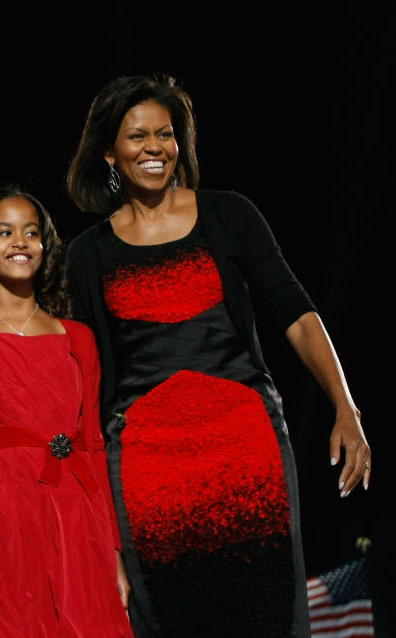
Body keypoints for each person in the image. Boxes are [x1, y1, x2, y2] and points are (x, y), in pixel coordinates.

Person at [64, 75, 371, 637]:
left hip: (246, 449)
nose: (154, 147)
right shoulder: (87, 254)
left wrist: (345, 408)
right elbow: (83, 383)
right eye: (137, 136)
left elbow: (296, 313)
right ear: (109, 150)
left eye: (166, 133)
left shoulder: (231, 214)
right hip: (147, 470)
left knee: (267, 613)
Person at [0, 188, 133, 637]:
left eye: (31, 232)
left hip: (77, 510)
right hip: (5, 509)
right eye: (5, 232)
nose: (20, 242)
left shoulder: (78, 337)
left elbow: (94, 444)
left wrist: (114, 553)